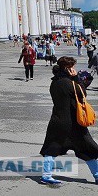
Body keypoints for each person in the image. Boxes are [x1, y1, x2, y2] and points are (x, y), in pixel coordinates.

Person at [39, 56, 98, 186]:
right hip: (72, 122)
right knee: (87, 149)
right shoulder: (68, 82)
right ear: (67, 68)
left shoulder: (54, 82)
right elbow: (82, 93)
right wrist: (76, 79)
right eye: (72, 67)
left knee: (51, 148)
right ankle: (97, 175)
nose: (74, 69)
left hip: (58, 120)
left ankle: (46, 176)